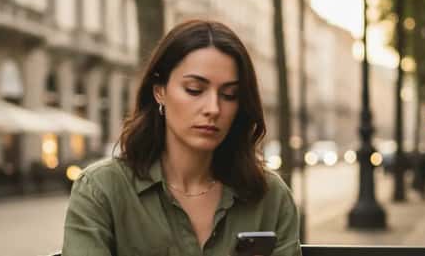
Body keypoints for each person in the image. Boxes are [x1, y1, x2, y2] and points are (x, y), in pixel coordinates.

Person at [63, 20, 301, 256]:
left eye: (229, 94)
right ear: (160, 91)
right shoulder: (101, 190)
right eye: (195, 90)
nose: (213, 108)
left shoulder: (270, 196)